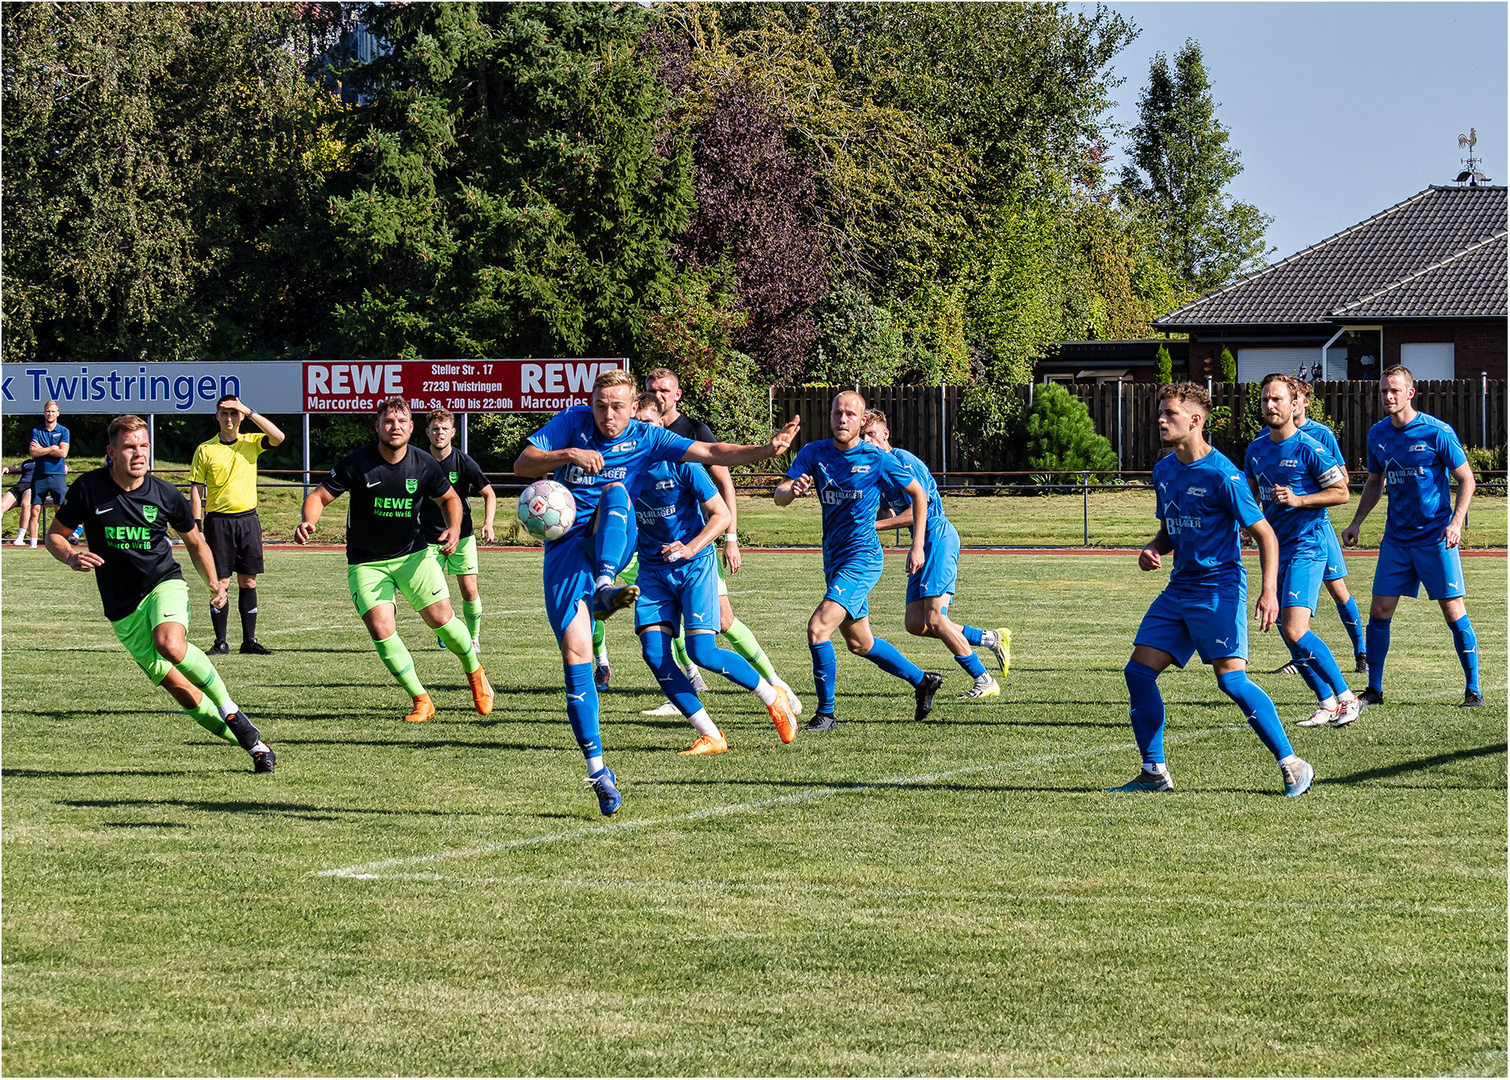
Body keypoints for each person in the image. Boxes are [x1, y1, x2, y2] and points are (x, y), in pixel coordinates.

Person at [513, 369, 800, 815]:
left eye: (618, 407)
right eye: (601, 405)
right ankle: (599, 771)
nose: (609, 415)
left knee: (615, 494)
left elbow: (711, 451)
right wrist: (568, 453)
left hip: (625, 539)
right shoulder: (571, 422)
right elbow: (522, 463)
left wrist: (767, 449)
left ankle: (607, 585)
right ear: (591, 401)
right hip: (569, 548)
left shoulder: (649, 440)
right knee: (578, 660)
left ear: (634, 408)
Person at [1113, 383, 1313, 797]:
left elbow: (1265, 535)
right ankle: (1154, 772)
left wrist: (1269, 591)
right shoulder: (1163, 471)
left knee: (1232, 681)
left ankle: (1293, 765)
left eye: (1170, 413)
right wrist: (1154, 548)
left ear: (1195, 420)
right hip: (1179, 588)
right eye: (1161, 413)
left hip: (1217, 588)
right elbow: (1169, 531)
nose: (1162, 420)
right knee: (1138, 672)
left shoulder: (1224, 475)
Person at [46, 415, 274, 772]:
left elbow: (196, 541)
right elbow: (55, 535)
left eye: (144, 445)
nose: (139, 453)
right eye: (129, 447)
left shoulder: (165, 493)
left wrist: (214, 582)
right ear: (111, 452)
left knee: (171, 644)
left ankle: (228, 706)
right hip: (121, 606)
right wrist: (70, 555)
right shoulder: (88, 488)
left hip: (162, 582)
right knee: (181, 691)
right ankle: (255, 746)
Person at [295, 398, 494, 724]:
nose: (395, 426)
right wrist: (309, 520)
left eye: (402, 421)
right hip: (366, 562)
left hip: (413, 556)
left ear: (411, 427)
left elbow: (450, 499)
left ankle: (475, 673)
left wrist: (456, 528)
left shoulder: (423, 463)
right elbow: (318, 496)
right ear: (378, 426)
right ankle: (421, 700)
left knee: (442, 620)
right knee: (380, 627)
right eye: (389, 421)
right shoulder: (358, 463)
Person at [619, 368, 801, 717]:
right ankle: (691, 689)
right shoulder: (630, 454)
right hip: (659, 560)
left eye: (664, 390)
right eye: (651, 388)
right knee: (668, 635)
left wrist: (729, 539)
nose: (658, 394)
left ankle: (776, 685)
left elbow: (723, 478)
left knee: (724, 623)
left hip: (698, 550)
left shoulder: (689, 436)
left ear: (677, 394)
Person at [773, 391, 943, 732]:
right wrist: (792, 491)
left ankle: (826, 714)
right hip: (833, 558)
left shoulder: (875, 458)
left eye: (851, 414)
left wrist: (918, 545)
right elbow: (779, 496)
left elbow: (919, 494)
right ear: (831, 415)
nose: (842, 419)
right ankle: (923, 681)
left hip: (863, 558)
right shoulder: (813, 453)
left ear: (862, 420)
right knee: (860, 643)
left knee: (819, 627)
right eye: (838, 413)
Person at [1341, 366, 1482, 708]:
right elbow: (1376, 481)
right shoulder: (1378, 434)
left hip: (1436, 538)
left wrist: (1456, 522)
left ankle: (1473, 688)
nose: (1388, 396)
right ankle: (1374, 689)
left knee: (1452, 610)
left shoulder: (1437, 432)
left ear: (1410, 393)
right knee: (1380, 610)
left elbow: (1467, 480)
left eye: (1394, 390)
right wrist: (1357, 521)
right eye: (1383, 391)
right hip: (1396, 540)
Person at [860, 409, 1010, 700]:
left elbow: (921, 509)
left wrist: (878, 527)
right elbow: (890, 509)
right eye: (862, 436)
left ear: (885, 434)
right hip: (922, 542)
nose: (866, 440)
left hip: (937, 537)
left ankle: (984, 679)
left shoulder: (901, 461)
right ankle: (989, 638)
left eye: (871, 434)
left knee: (937, 619)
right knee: (916, 624)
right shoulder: (877, 469)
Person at [1243, 375, 1361, 727]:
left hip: (1308, 546)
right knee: (1283, 628)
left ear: (1295, 404)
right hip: (1274, 549)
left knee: (1295, 628)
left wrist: (1300, 500)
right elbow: (1250, 497)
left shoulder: (1310, 446)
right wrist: (1244, 525)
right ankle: (1326, 702)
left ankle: (1347, 698)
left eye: (1277, 399)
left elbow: (1342, 492)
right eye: (1265, 399)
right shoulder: (1256, 449)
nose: (1270, 405)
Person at [1268, 380, 1367, 675]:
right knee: (1281, 599)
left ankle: (1361, 652)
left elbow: (1342, 483)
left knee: (1338, 590)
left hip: (1316, 529)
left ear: (1303, 402)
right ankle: (1300, 658)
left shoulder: (1320, 435)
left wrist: (1302, 498)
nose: (1292, 404)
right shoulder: (1267, 437)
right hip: (1282, 534)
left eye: (1295, 399)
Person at [189, 395, 285, 656]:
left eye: (234, 413)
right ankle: (220, 642)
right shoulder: (205, 449)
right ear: (216, 416)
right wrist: (196, 525)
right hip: (218, 522)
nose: (229, 418)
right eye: (224, 413)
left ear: (241, 416)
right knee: (219, 583)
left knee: (249, 581)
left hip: (248, 520)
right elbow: (197, 489)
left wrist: (249, 410)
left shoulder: (252, 442)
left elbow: (278, 437)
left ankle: (249, 641)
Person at [420, 409, 496, 652]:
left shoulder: (463, 462)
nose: (439, 433)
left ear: (453, 432)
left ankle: (473, 638)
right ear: (427, 432)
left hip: (462, 535)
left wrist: (488, 523)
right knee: (434, 593)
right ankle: (447, 628)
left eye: (444, 429)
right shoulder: (418, 461)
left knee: (469, 590)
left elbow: (489, 492)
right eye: (435, 428)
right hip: (429, 537)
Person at [27, 400, 70, 547]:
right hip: (40, 475)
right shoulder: (37, 431)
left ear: (58, 413)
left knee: (60, 510)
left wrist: (43, 449)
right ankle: (33, 544)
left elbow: (63, 453)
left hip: (57, 475)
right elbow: (33, 452)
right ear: (44, 412)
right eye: (48, 411)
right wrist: (52, 447)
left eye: (53, 411)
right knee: (35, 510)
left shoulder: (64, 431)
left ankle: (59, 542)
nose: (50, 413)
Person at [3, 459, 36, 543]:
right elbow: (18, 469)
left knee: (25, 504)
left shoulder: (45, 461)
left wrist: (64, 467)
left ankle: (20, 536)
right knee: (1, 506)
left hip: (32, 486)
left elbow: (56, 466)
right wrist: (8, 468)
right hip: (20, 486)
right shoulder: (26, 462)